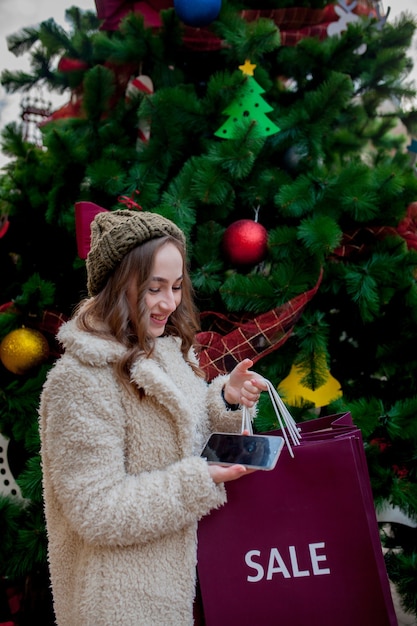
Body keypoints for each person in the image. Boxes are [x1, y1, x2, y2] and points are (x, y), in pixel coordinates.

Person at [39, 209, 267, 626]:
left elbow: (188, 436)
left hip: (191, 581)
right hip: (124, 600)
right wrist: (202, 478)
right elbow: (97, 510)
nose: (169, 303)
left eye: (177, 286)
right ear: (115, 286)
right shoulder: (80, 379)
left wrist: (228, 401)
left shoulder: (168, 351)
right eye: (153, 288)